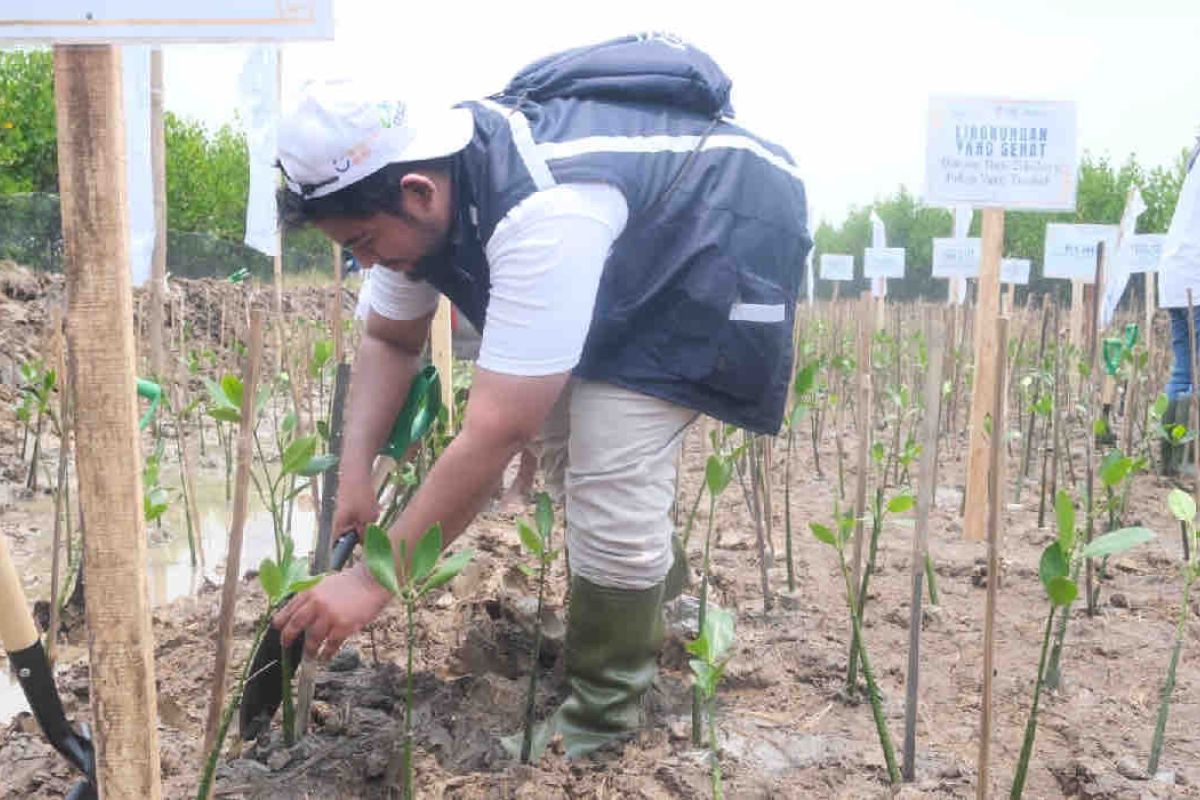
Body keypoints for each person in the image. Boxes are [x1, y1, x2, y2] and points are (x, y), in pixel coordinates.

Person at [271, 33, 810, 757]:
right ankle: (655, 608)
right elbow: (390, 341)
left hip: (707, 244)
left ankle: (604, 712)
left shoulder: (543, 207)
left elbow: (494, 432)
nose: (366, 262)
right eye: (351, 250)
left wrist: (374, 579)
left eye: (366, 242)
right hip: (622, 250)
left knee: (609, 460)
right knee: (563, 440)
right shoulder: (409, 201)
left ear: (418, 191)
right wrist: (355, 472)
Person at [1158, 134, 1200, 476]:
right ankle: (1187, 461)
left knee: (1185, 369)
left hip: (1178, 273)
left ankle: (1172, 460)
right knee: (1194, 371)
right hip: (1196, 278)